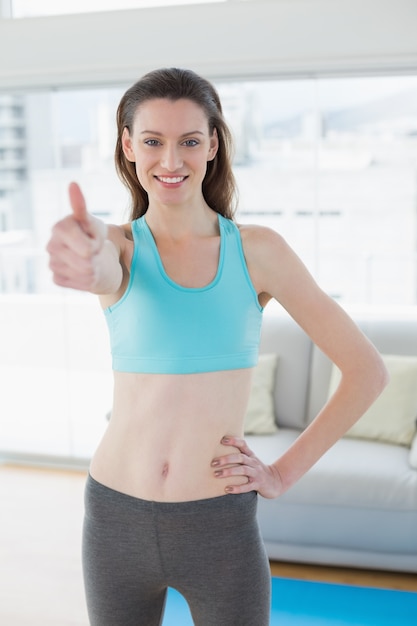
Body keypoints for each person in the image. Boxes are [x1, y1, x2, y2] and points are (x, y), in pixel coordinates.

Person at [46, 67, 389, 626]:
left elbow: (367, 372)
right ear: (128, 146)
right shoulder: (117, 245)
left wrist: (281, 473)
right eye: (153, 141)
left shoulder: (259, 251)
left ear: (213, 145)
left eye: (189, 141)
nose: (171, 161)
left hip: (218, 526)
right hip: (113, 515)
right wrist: (81, 255)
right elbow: (100, 267)